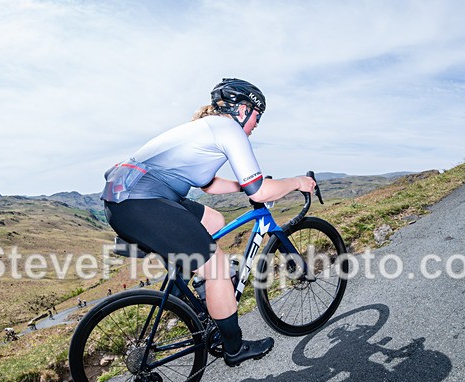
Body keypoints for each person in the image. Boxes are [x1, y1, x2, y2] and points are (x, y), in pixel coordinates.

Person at [100, 78, 316, 366]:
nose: (256, 125)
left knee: (214, 220)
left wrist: (244, 185)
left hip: (126, 200)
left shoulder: (206, 127)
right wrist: (298, 182)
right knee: (218, 268)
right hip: (142, 203)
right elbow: (260, 193)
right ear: (243, 110)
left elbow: (209, 185)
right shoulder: (229, 130)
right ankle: (234, 348)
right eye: (257, 116)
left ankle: (193, 301)